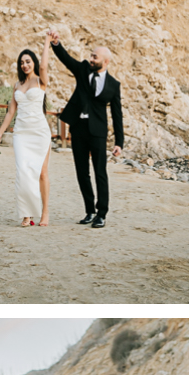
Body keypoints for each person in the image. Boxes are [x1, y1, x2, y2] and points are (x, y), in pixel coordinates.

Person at [49, 31, 123, 229]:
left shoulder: (114, 85)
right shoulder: (82, 69)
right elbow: (66, 59)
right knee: (82, 172)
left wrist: (119, 143)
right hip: (79, 129)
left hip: (98, 132)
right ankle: (89, 210)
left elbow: (117, 115)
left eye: (94, 56)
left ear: (105, 61)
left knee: (100, 172)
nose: (90, 58)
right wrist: (56, 44)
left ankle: (102, 213)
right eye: (91, 55)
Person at [0, 34, 53, 226]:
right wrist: (0, 132)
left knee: (42, 172)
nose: (25, 65)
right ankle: (27, 214)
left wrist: (47, 42)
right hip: (21, 133)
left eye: (28, 61)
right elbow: (11, 112)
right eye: (22, 63)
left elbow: (44, 66)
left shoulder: (40, 81)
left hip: (39, 132)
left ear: (33, 62)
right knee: (23, 172)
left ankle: (45, 212)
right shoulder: (17, 85)